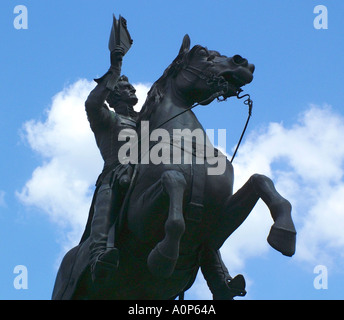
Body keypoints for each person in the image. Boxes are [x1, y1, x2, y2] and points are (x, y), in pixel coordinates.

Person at [84, 46, 137, 282]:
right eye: (126, 87)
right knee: (108, 194)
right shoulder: (106, 118)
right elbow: (92, 103)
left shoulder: (145, 119)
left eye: (131, 86)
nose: (133, 89)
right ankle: (97, 256)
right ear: (114, 95)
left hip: (143, 172)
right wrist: (115, 70)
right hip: (115, 174)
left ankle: (217, 275)